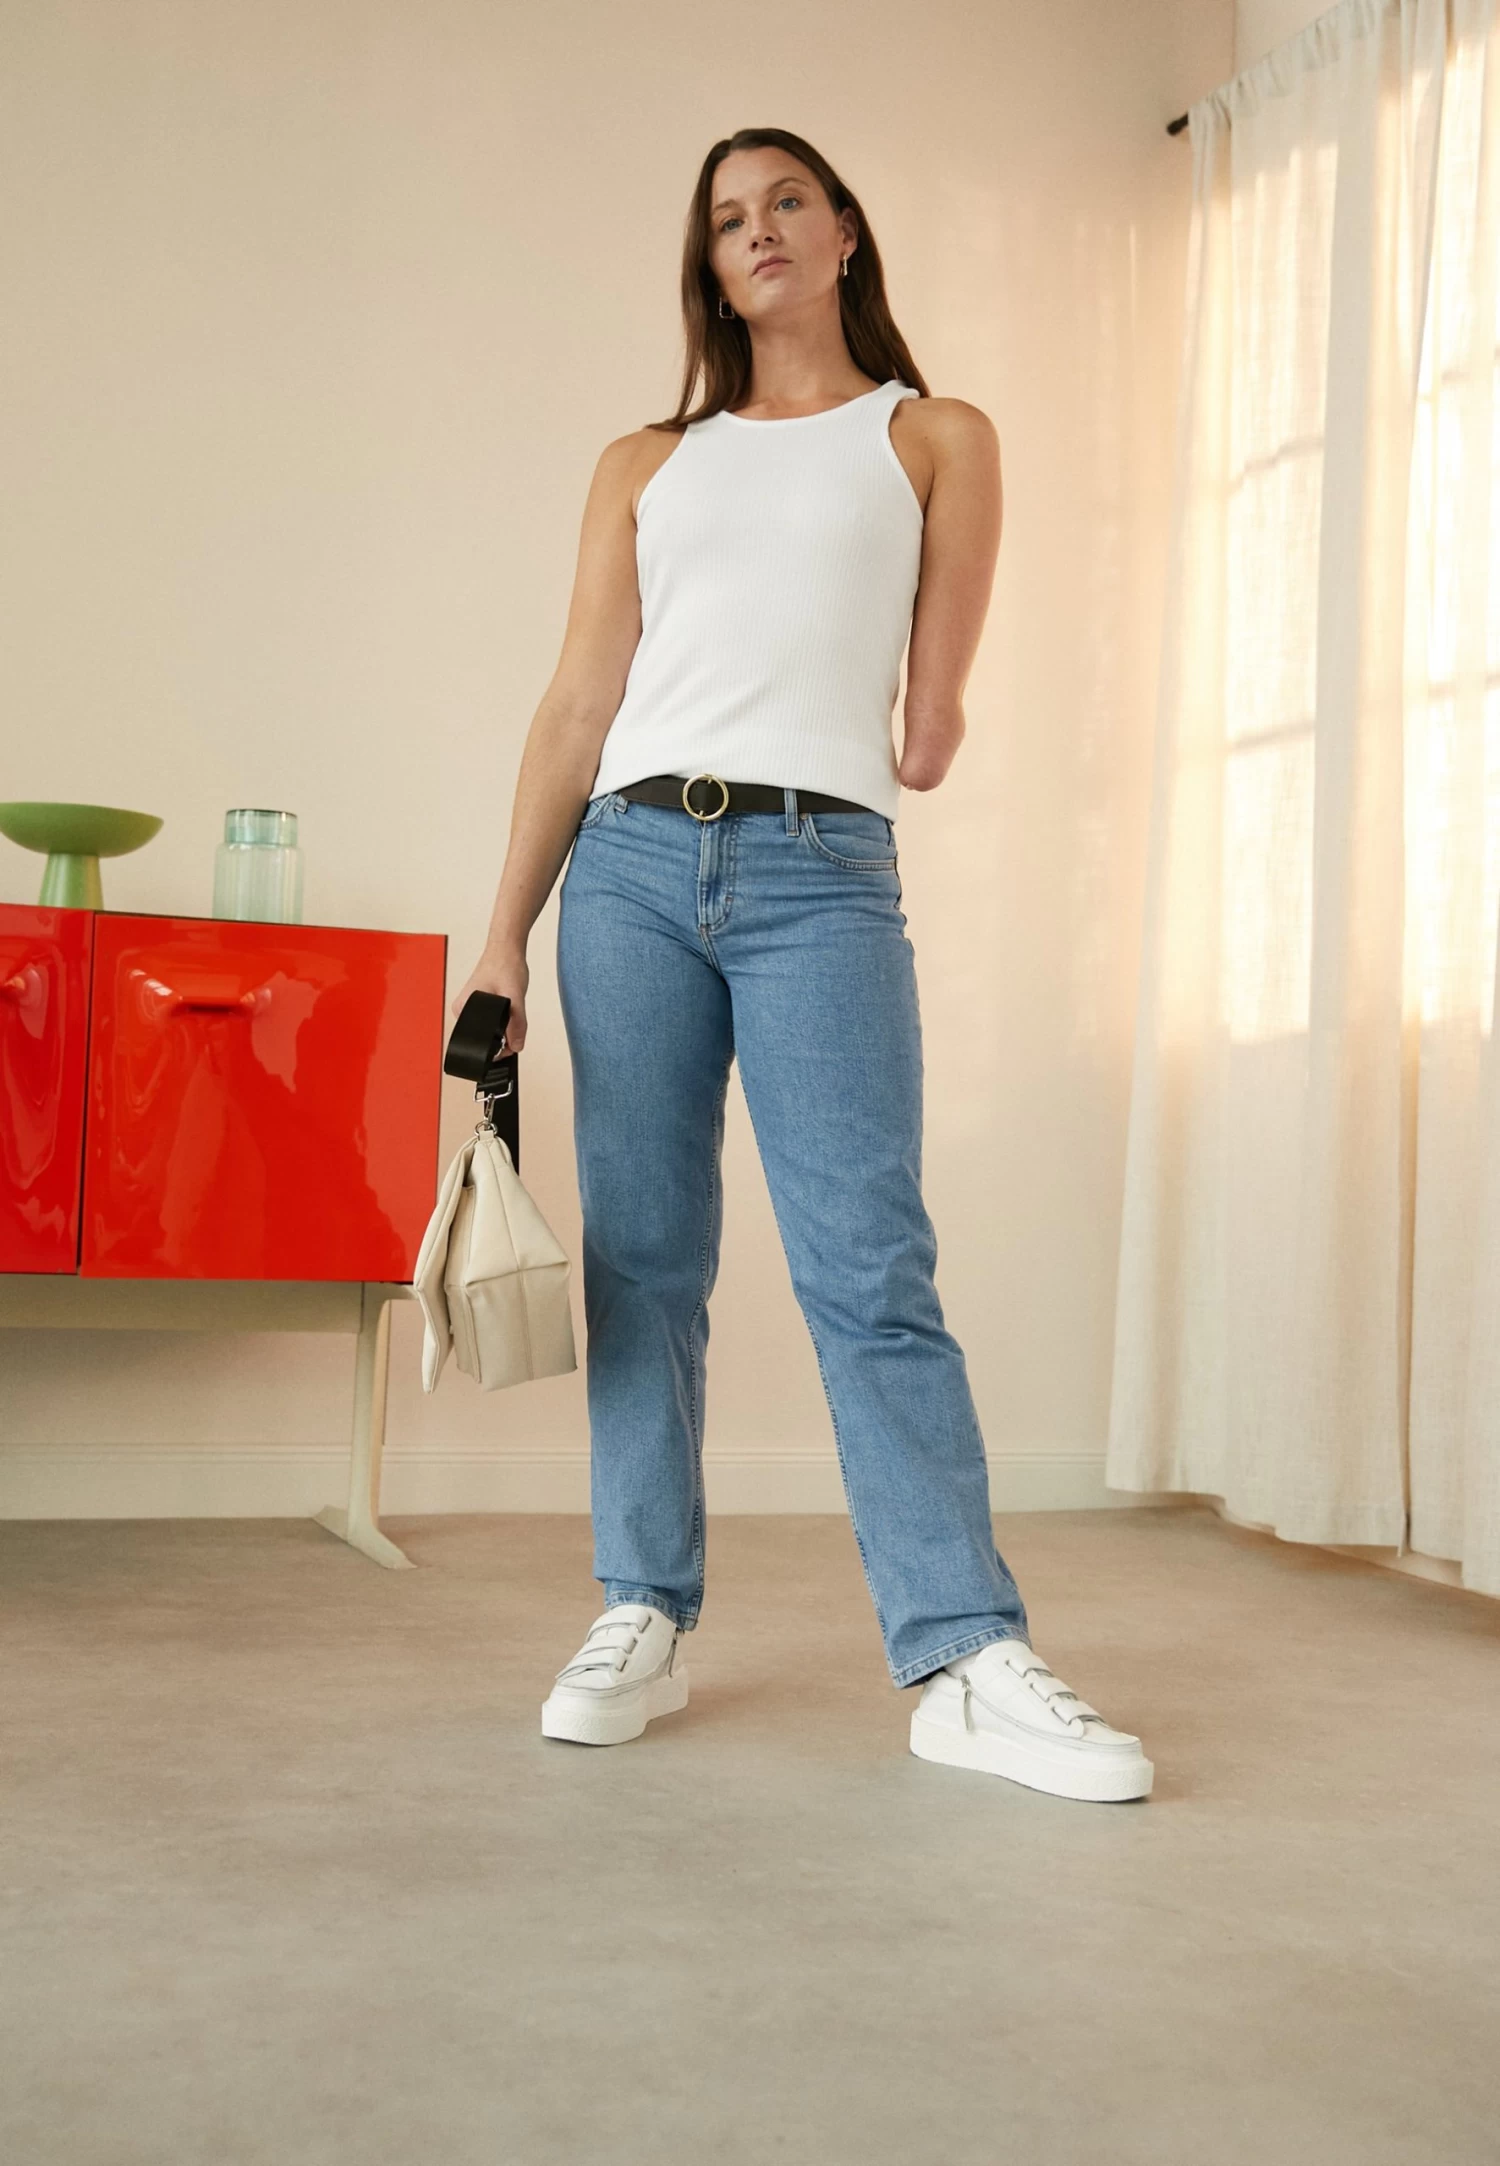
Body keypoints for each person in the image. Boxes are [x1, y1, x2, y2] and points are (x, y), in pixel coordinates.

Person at [452, 127, 1152, 1804]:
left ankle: (965, 1656)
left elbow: (927, 735)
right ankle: (641, 1609)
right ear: (708, 268)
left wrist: (904, 684)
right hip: (626, 867)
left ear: (844, 231)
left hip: (819, 873)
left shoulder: (934, 437)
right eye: (725, 218)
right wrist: (502, 936)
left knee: (869, 1265)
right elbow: (577, 701)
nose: (757, 229)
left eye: (786, 201)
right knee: (644, 1259)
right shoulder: (645, 462)